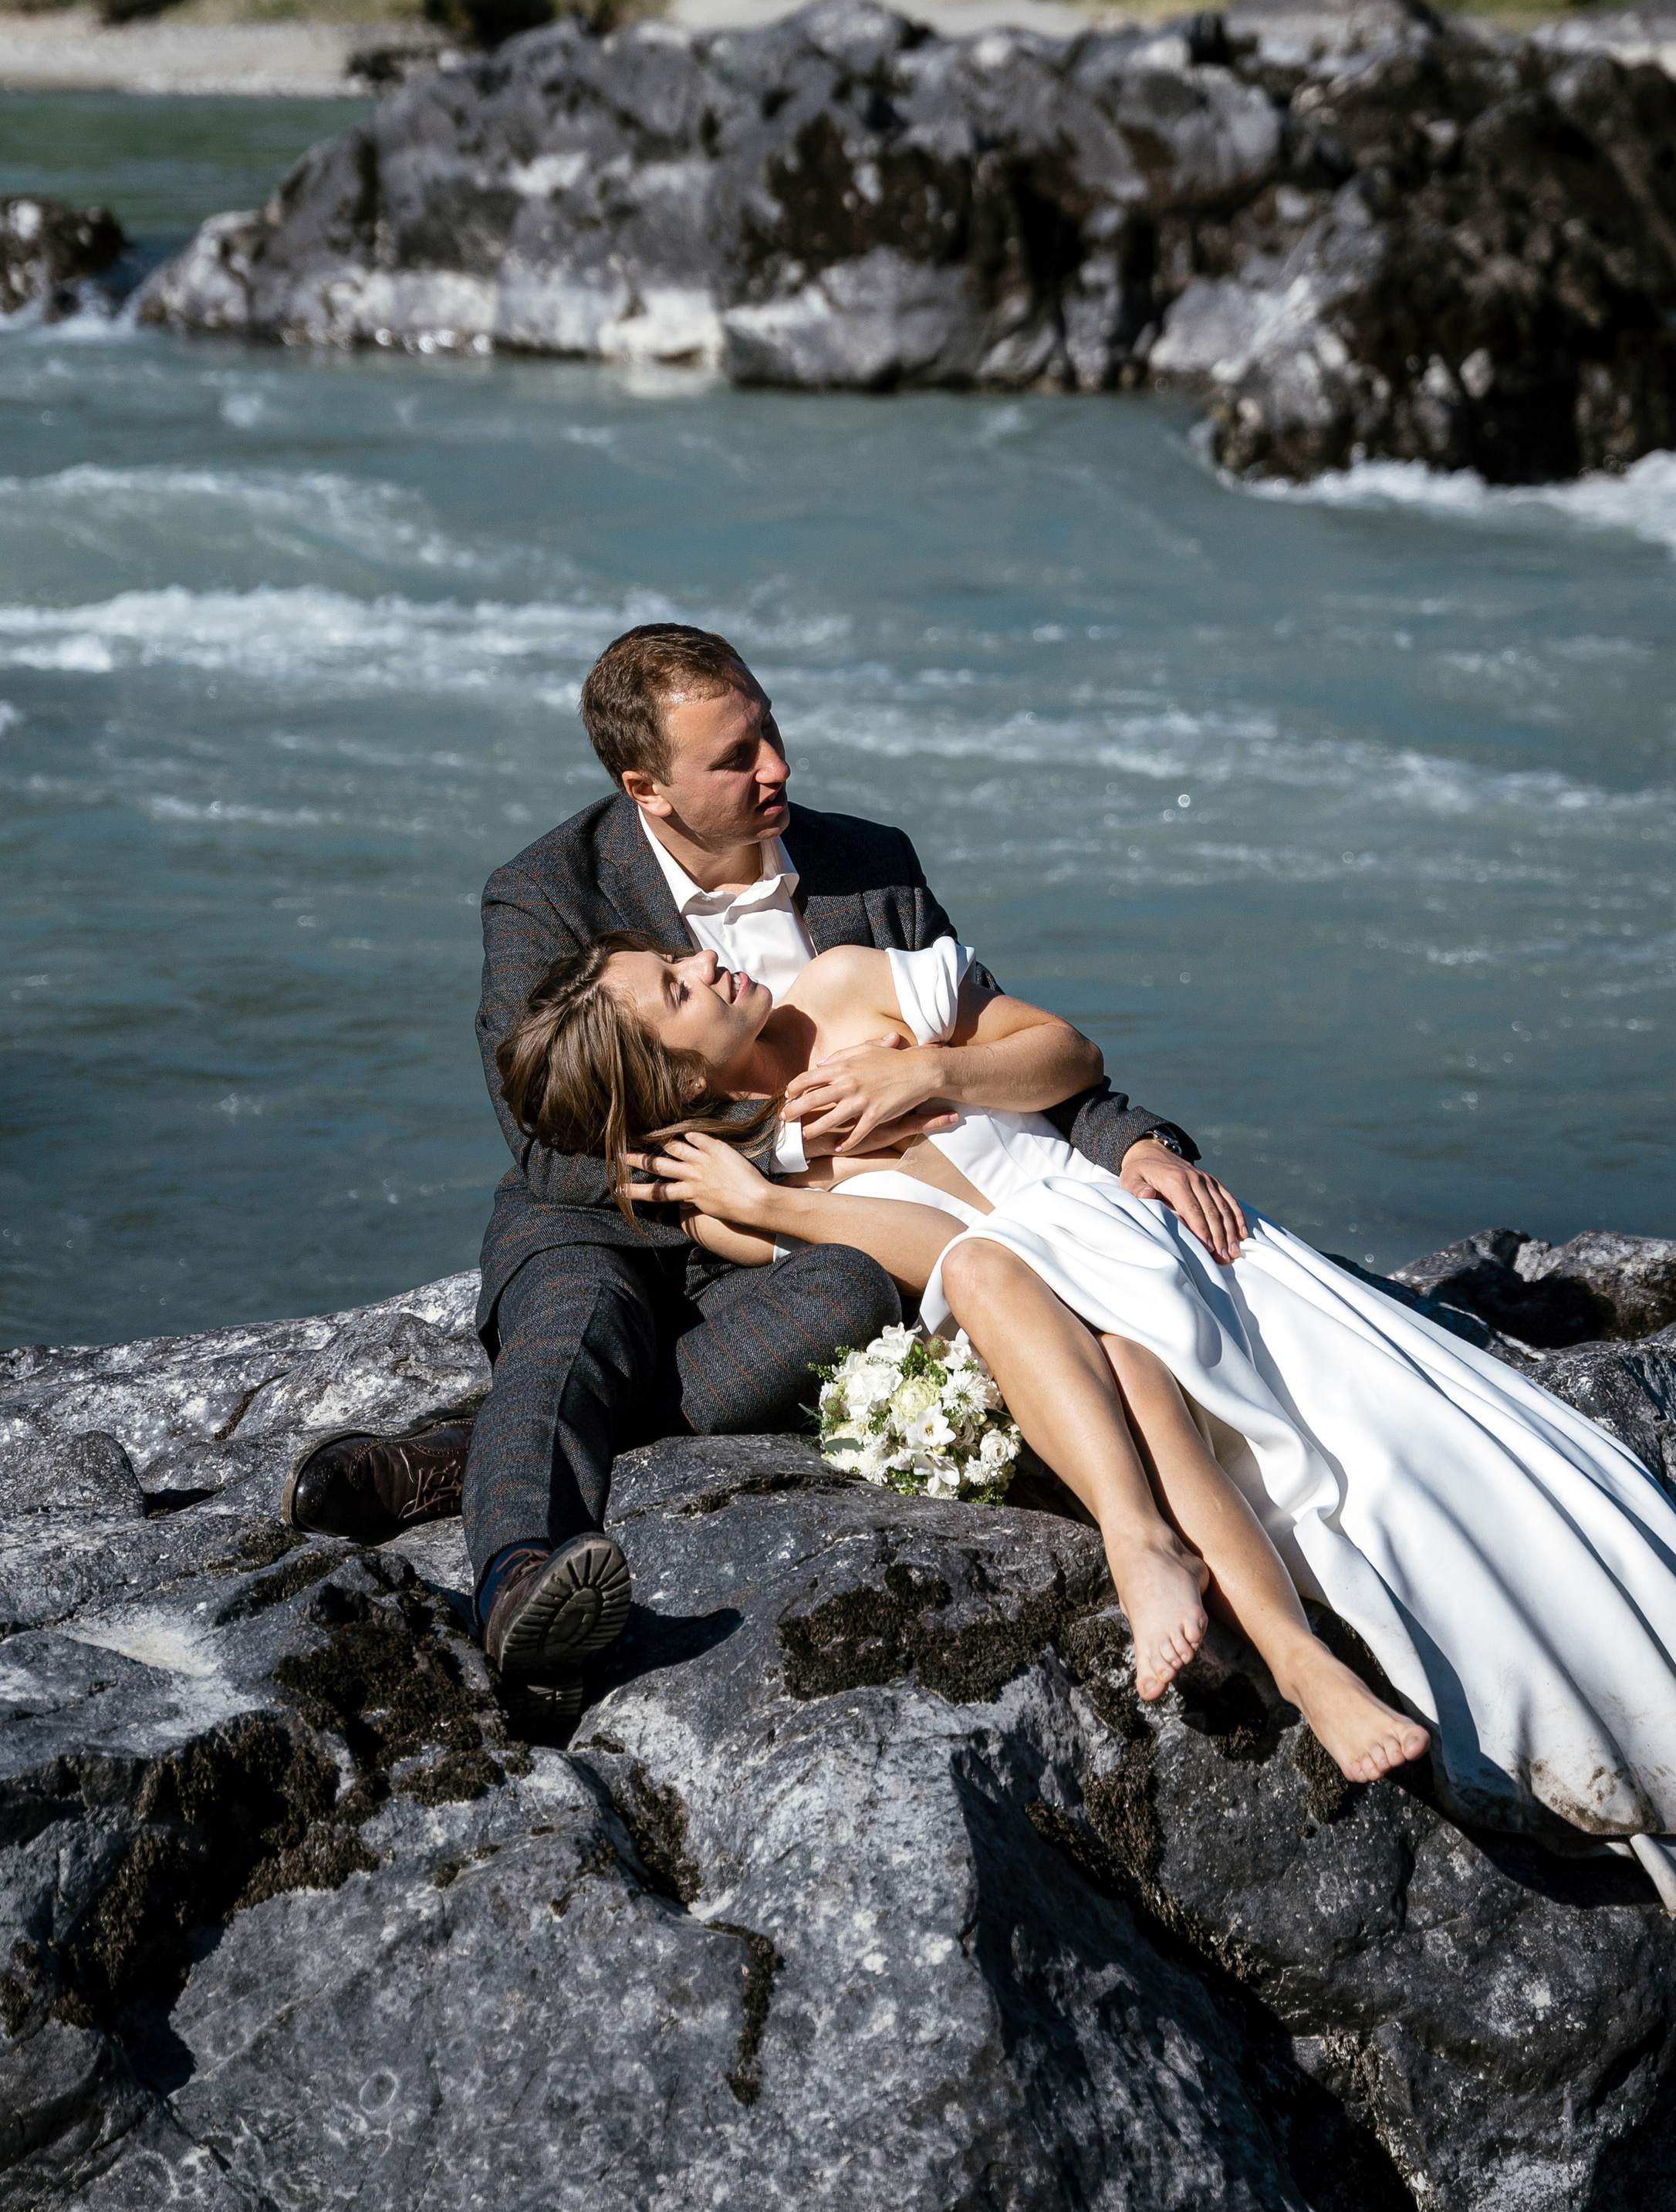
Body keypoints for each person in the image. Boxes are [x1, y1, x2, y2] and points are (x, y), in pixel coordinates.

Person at [523, 927, 1676, 1915]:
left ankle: (1224, 1598)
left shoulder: (849, 981)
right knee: (1059, 1320)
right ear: (665, 1078)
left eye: (684, 955)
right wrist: (784, 1206)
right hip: (1015, 1295)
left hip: (1118, 1235)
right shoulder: (735, 1186)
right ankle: (1279, 1644)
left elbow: (1068, 1059)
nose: (708, 961)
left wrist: (931, 1066)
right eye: (678, 990)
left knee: (1307, 1427)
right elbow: (932, 1252)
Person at [282, 622, 1228, 1734]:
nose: (776, 766)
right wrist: (734, 1174)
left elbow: (989, 1048)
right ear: (649, 785)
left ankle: (463, 1452)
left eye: (768, 729)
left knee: (853, 1291)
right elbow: (543, 1138)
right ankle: (520, 1587)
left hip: (803, 1232)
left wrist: (1134, 1142)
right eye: (734, 758)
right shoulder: (543, 891)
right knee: (575, 1328)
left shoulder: (867, 862)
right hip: (611, 1219)